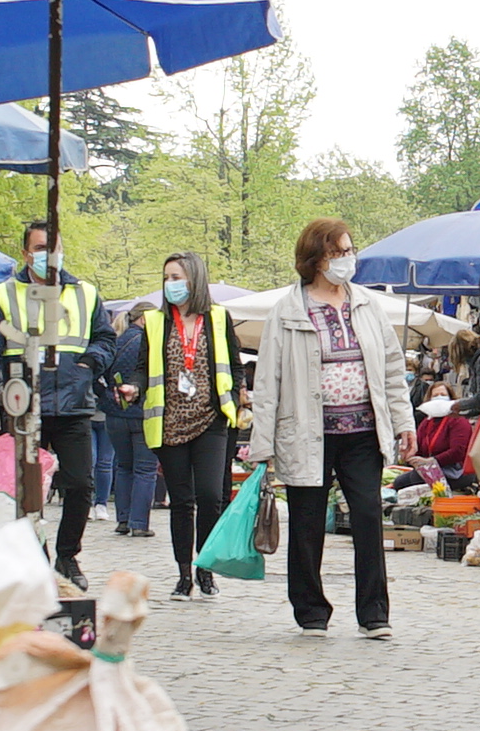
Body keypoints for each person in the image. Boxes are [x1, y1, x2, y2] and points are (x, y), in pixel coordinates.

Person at [249, 219, 416, 641]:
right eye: (337, 252)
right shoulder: (288, 311)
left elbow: (392, 371)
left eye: (348, 250)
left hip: (362, 432)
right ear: (316, 259)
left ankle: (374, 612)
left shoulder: (367, 305)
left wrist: (403, 422)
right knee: (306, 524)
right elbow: (268, 381)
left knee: (366, 517)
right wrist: (261, 445)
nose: (347, 259)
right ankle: (311, 611)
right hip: (308, 433)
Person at [0, 218, 101, 585]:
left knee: (79, 485)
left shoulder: (86, 294)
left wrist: (90, 363)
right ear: (26, 253)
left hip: (73, 402)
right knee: (25, 492)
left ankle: (66, 556)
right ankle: (34, 559)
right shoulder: (3, 296)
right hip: (23, 406)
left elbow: (104, 338)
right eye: (41, 248)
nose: (49, 255)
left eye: (54, 247)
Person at [149, 251, 240, 597]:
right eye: (167, 278)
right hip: (170, 421)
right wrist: (131, 385)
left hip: (211, 420)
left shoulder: (217, 317)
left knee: (210, 495)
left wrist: (240, 393)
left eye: (177, 277)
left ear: (195, 279)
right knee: (182, 501)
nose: (171, 284)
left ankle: (206, 566)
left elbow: (233, 361)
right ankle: (184, 573)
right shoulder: (159, 322)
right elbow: (145, 367)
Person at [93, 299, 156, 537]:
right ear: (144, 319)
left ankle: (123, 519)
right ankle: (139, 523)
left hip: (114, 414)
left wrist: (106, 398)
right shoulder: (149, 344)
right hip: (143, 413)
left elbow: (96, 374)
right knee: (145, 469)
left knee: (123, 466)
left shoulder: (116, 342)